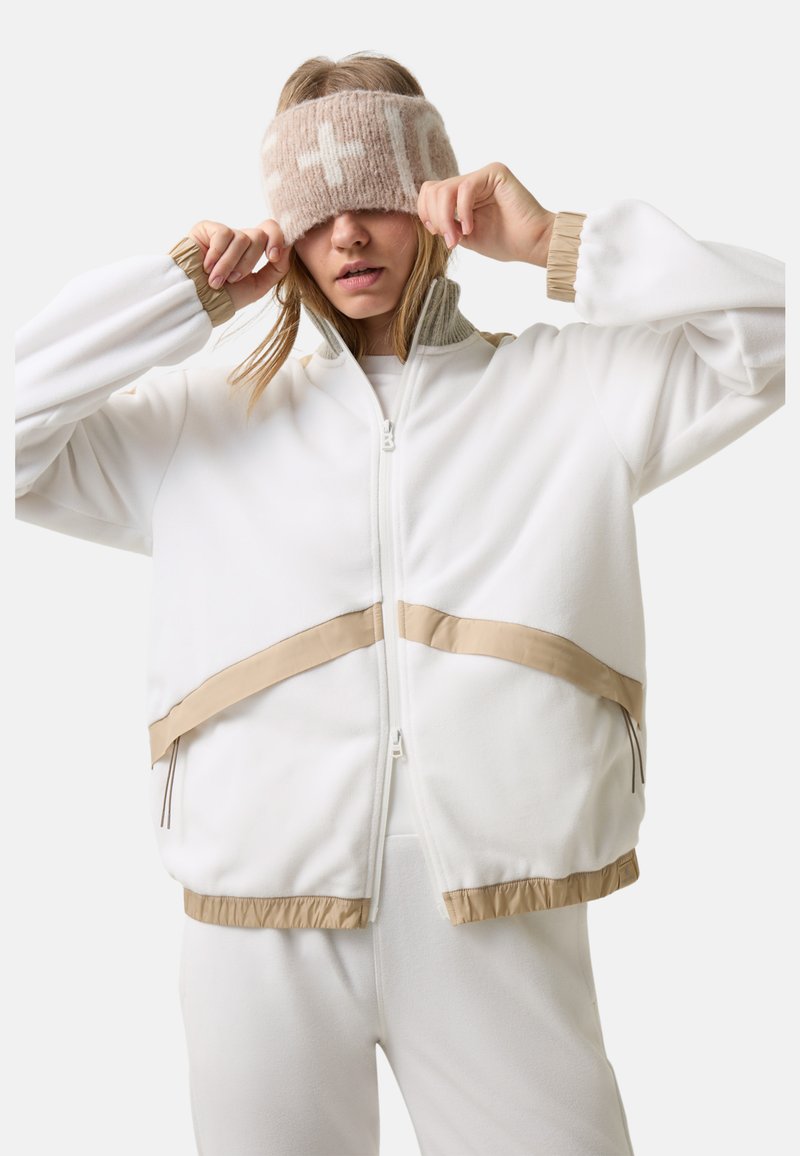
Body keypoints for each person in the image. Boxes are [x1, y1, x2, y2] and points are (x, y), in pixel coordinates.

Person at [14, 49, 785, 1156]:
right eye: (316, 211)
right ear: (284, 229)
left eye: (378, 198)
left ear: (435, 202)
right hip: (259, 910)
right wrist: (178, 295)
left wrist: (556, 244)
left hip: (500, 901)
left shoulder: (569, 390)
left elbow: (772, 335)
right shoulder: (196, 420)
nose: (348, 236)